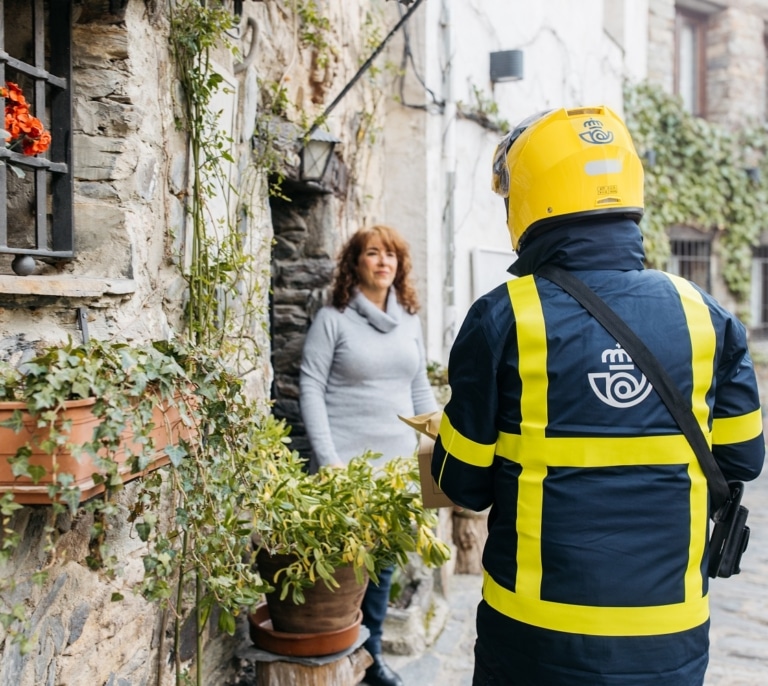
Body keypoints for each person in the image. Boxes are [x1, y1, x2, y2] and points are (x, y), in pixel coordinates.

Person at [431, 105, 765, 685]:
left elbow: (462, 485)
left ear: (530, 201)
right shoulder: (706, 317)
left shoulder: (504, 317)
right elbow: (743, 460)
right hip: (670, 640)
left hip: (535, 641)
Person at [300, 224, 437, 686]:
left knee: (381, 569)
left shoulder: (410, 320)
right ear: (354, 264)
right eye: (372, 254)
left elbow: (419, 389)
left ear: (399, 267)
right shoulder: (332, 319)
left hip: (396, 472)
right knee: (343, 572)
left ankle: (372, 657)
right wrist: (329, 459)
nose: (383, 262)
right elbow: (311, 389)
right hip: (345, 469)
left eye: (391, 255)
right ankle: (341, 658)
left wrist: (433, 467)